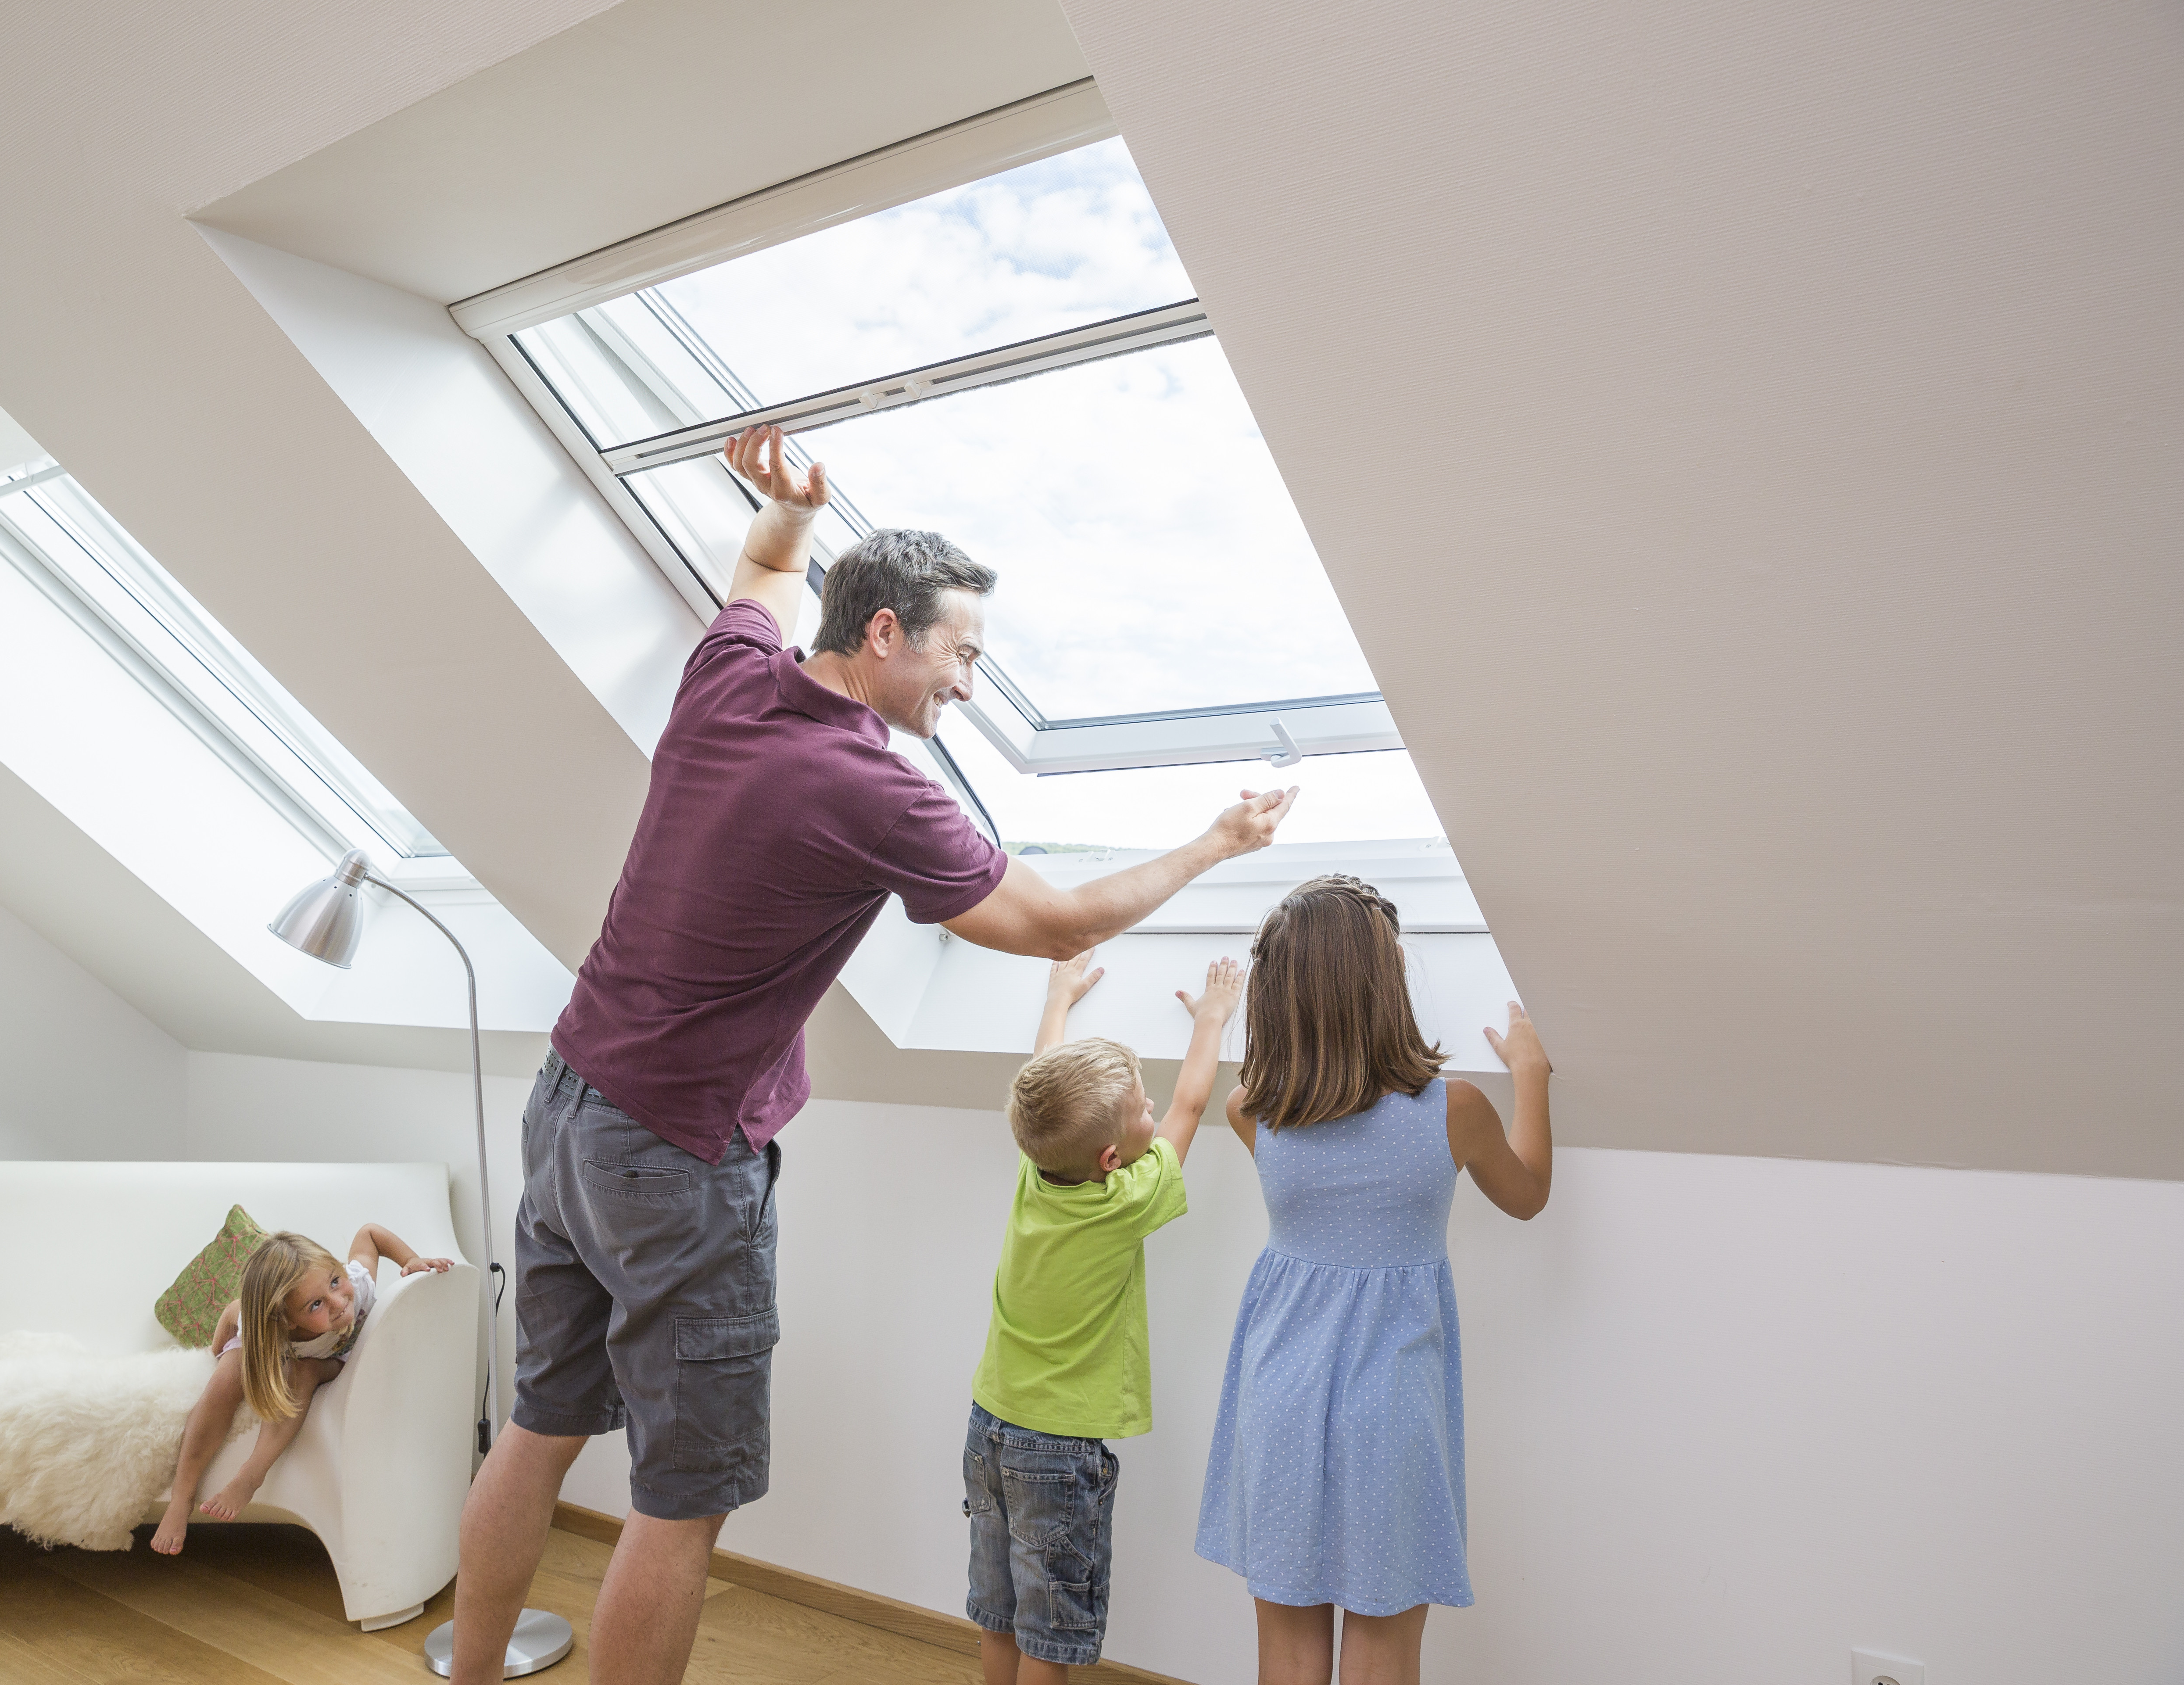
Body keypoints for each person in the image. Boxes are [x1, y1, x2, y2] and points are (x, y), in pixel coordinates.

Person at [449, 425, 1298, 1685]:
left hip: (569, 1102)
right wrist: (1216, 845)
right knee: (680, 1499)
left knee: (538, 1424)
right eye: (963, 655)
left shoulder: (732, 678)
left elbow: (759, 577)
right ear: (887, 633)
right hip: (674, 1153)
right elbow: (1056, 922)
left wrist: (790, 514)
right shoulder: (869, 787)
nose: (970, 686)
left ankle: (470, 1672)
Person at [1193, 875, 1554, 1685]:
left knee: (1288, 1649)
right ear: (1383, 985)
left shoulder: (1253, 1110)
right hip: (1392, 1407)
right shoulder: (1455, 1111)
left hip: (1278, 1394)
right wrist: (1531, 1076)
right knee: (1383, 1648)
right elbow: (1528, 1194)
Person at [965, 950, 1243, 1684]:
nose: (1156, 1110)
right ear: (1114, 1158)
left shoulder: (1035, 1170)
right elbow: (1191, 1108)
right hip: (1056, 1451)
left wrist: (1059, 998)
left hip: (988, 1425)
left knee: (1000, 1613)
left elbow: (1042, 1076)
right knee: (1049, 1636)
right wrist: (1212, 1019)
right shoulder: (1124, 1203)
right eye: (1142, 1109)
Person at [152, 1225, 455, 1555]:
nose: (339, 1302)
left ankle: (251, 1475)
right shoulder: (265, 1326)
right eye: (316, 1305)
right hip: (276, 1347)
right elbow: (231, 1313)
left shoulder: (357, 1285)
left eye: (335, 1281)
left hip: (331, 1360)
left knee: (304, 1371)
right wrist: (214, 1355)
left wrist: (410, 1260)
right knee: (227, 1376)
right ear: (288, 1320)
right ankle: (181, 1498)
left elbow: (369, 1234)